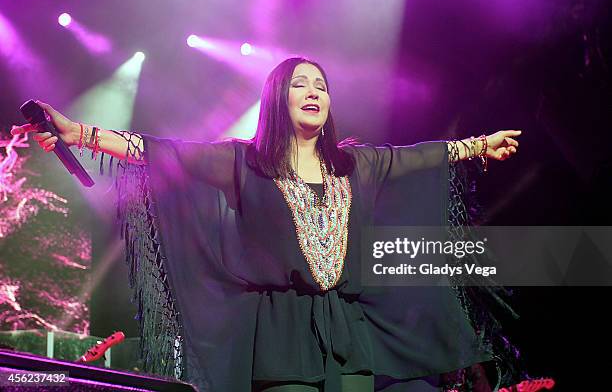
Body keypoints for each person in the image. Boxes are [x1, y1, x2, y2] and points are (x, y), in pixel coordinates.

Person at [11, 57, 522, 392]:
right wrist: (77, 131)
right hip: (280, 333)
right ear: (278, 97)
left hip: (349, 329)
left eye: (321, 85)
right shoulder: (244, 163)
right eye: (300, 83)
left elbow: (415, 158)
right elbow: (160, 152)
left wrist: (479, 144)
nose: (314, 91)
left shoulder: (354, 165)